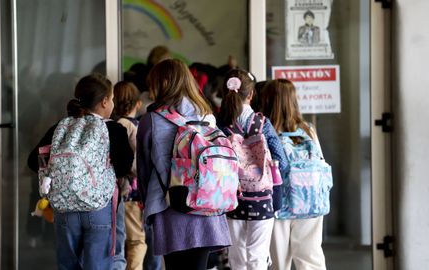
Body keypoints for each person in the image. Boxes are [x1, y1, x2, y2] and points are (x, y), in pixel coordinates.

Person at [27, 73, 134, 269]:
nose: (112, 103)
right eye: (111, 99)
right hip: (99, 207)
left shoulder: (61, 128)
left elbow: (33, 161)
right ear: (103, 102)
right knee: (98, 265)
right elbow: (124, 167)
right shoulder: (114, 130)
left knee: (68, 265)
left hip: (64, 208)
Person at [136, 59, 232, 270]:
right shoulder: (207, 115)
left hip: (170, 205)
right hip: (207, 203)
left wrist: (146, 203)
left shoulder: (151, 120)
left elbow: (143, 170)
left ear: (163, 83)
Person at [217, 69, 288, 270]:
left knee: (237, 257)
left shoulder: (219, 124)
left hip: (232, 198)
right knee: (257, 258)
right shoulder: (262, 123)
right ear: (250, 95)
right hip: (262, 199)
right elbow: (281, 162)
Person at [260, 79, 327, 270]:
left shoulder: (265, 131)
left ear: (268, 100)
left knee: (278, 261)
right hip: (309, 201)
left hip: (278, 204)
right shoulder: (307, 129)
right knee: (311, 257)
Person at [112, 81, 147, 270]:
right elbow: (134, 164)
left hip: (118, 193)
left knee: (120, 242)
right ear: (138, 104)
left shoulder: (114, 125)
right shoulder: (134, 126)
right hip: (131, 193)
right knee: (137, 241)